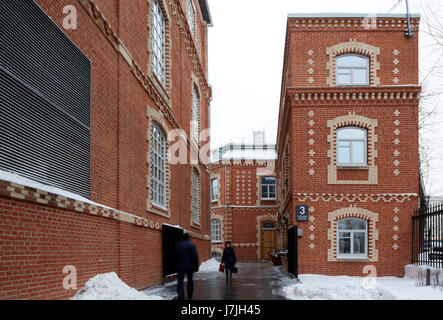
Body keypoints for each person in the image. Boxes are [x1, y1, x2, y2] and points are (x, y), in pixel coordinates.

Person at [174, 233, 199, 300]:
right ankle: (190, 296)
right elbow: (195, 257)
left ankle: (181, 296)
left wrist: (174, 265)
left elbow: (174, 256)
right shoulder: (192, 245)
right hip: (190, 267)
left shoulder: (178, 245)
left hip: (180, 266)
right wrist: (196, 267)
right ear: (188, 238)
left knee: (180, 282)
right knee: (190, 281)